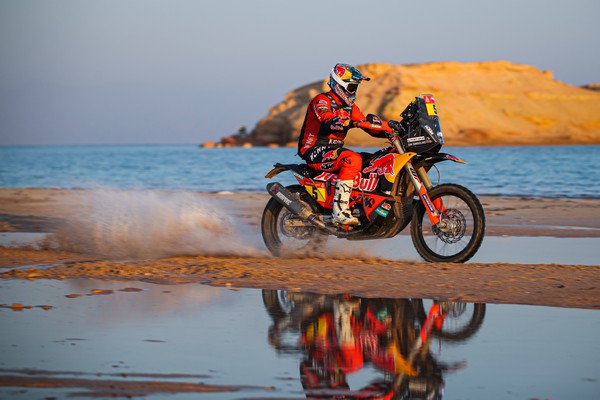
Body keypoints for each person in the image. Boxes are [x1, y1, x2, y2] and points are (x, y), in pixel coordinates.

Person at [297, 63, 389, 226]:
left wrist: (392, 128)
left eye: (355, 87)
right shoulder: (321, 100)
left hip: (333, 149)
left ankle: (359, 205)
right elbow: (327, 120)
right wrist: (350, 123)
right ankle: (339, 211)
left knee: (373, 161)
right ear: (340, 84)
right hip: (314, 149)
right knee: (352, 159)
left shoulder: (350, 108)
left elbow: (366, 124)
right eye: (352, 86)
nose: (354, 91)